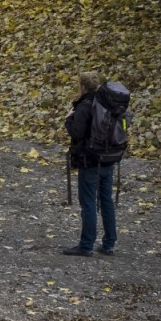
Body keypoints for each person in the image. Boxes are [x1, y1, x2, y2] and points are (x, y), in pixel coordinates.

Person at [63, 71, 117, 257]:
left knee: (88, 203)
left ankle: (86, 245)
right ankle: (109, 243)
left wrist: (69, 118)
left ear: (82, 86)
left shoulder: (85, 106)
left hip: (90, 161)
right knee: (106, 201)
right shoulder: (108, 103)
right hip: (108, 159)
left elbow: (77, 133)